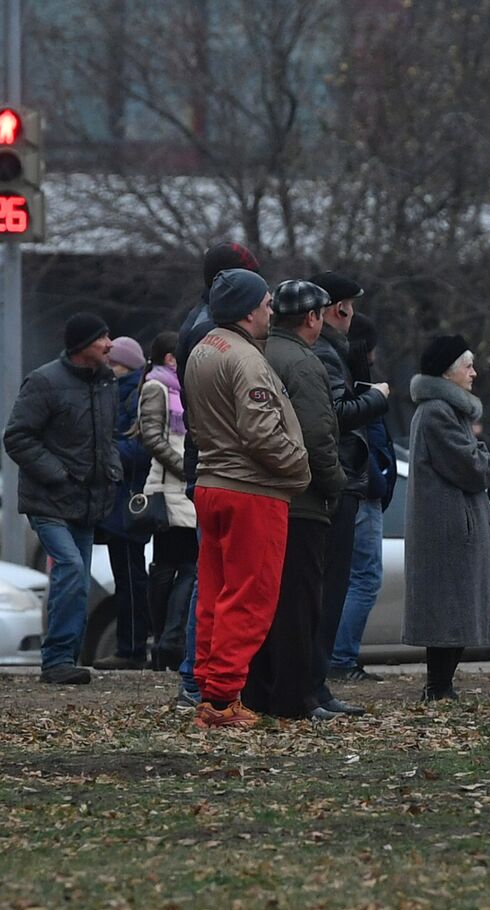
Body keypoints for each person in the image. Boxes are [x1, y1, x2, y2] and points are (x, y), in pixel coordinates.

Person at [183, 268, 310, 730]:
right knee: (249, 597)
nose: (271, 310)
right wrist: (299, 466)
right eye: (266, 302)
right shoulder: (247, 359)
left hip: (212, 483)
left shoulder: (203, 348)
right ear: (249, 309)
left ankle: (209, 690)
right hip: (251, 491)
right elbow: (261, 431)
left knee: (215, 594)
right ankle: (221, 702)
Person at [243, 279, 348, 720]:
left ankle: (261, 693)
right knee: (300, 605)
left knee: (266, 601)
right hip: (302, 501)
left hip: (262, 495)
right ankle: (295, 698)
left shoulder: (258, 353)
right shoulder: (304, 363)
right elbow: (318, 435)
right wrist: (335, 483)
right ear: (312, 317)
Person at [4, 312, 122, 685]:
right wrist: (58, 475)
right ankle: (55, 658)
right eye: (103, 338)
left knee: (79, 580)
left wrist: (112, 470)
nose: (110, 344)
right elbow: (18, 437)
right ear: (81, 346)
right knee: (70, 569)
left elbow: (106, 439)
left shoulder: (105, 383)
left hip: (86, 503)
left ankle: (65, 659)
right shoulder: (44, 382)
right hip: (49, 500)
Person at [174, 242, 262, 708]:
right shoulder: (215, 331)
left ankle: (200, 674)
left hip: (207, 460)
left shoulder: (198, 321)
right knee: (220, 578)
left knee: (213, 575)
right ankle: (198, 676)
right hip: (220, 464)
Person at [404, 335, 490, 699]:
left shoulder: (442, 410)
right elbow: (474, 467)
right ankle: (438, 687)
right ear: (448, 374)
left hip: (452, 522)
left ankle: (440, 686)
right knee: (449, 609)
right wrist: (488, 458)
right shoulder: (437, 412)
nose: (474, 373)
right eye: (468, 365)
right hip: (448, 526)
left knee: (452, 608)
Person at [308, 271, 388, 716]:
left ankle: (320, 679)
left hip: (339, 480)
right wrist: (376, 397)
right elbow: (334, 419)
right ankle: (325, 672)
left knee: (339, 581)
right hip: (334, 484)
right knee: (339, 581)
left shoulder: (324, 353)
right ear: (336, 310)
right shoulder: (326, 355)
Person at [330, 312, 398, 682]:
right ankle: (341, 658)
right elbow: (360, 435)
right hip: (361, 491)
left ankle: (338, 657)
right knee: (365, 577)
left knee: (351, 577)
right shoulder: (354, 381)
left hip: (359, 487)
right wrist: (378, 478)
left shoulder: (341, 372)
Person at [137, 332, 197, 672]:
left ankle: (167, 640)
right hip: (168, 487)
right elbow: (152, 437)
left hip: (184, 489)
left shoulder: (182, 388)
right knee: (172, 566)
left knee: (181, 565)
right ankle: (165, 639)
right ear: (170, 357)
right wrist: (185, 467)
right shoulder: (156, 387)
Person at [93, 336, 154, 670]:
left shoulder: (131, 394)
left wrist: (106, 452)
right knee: (129, 576)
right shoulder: (130, 391)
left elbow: (140, 448)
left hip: (127, 500)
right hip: (124, 499)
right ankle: (131, 646)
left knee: (129, 577)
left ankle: (131, 648)